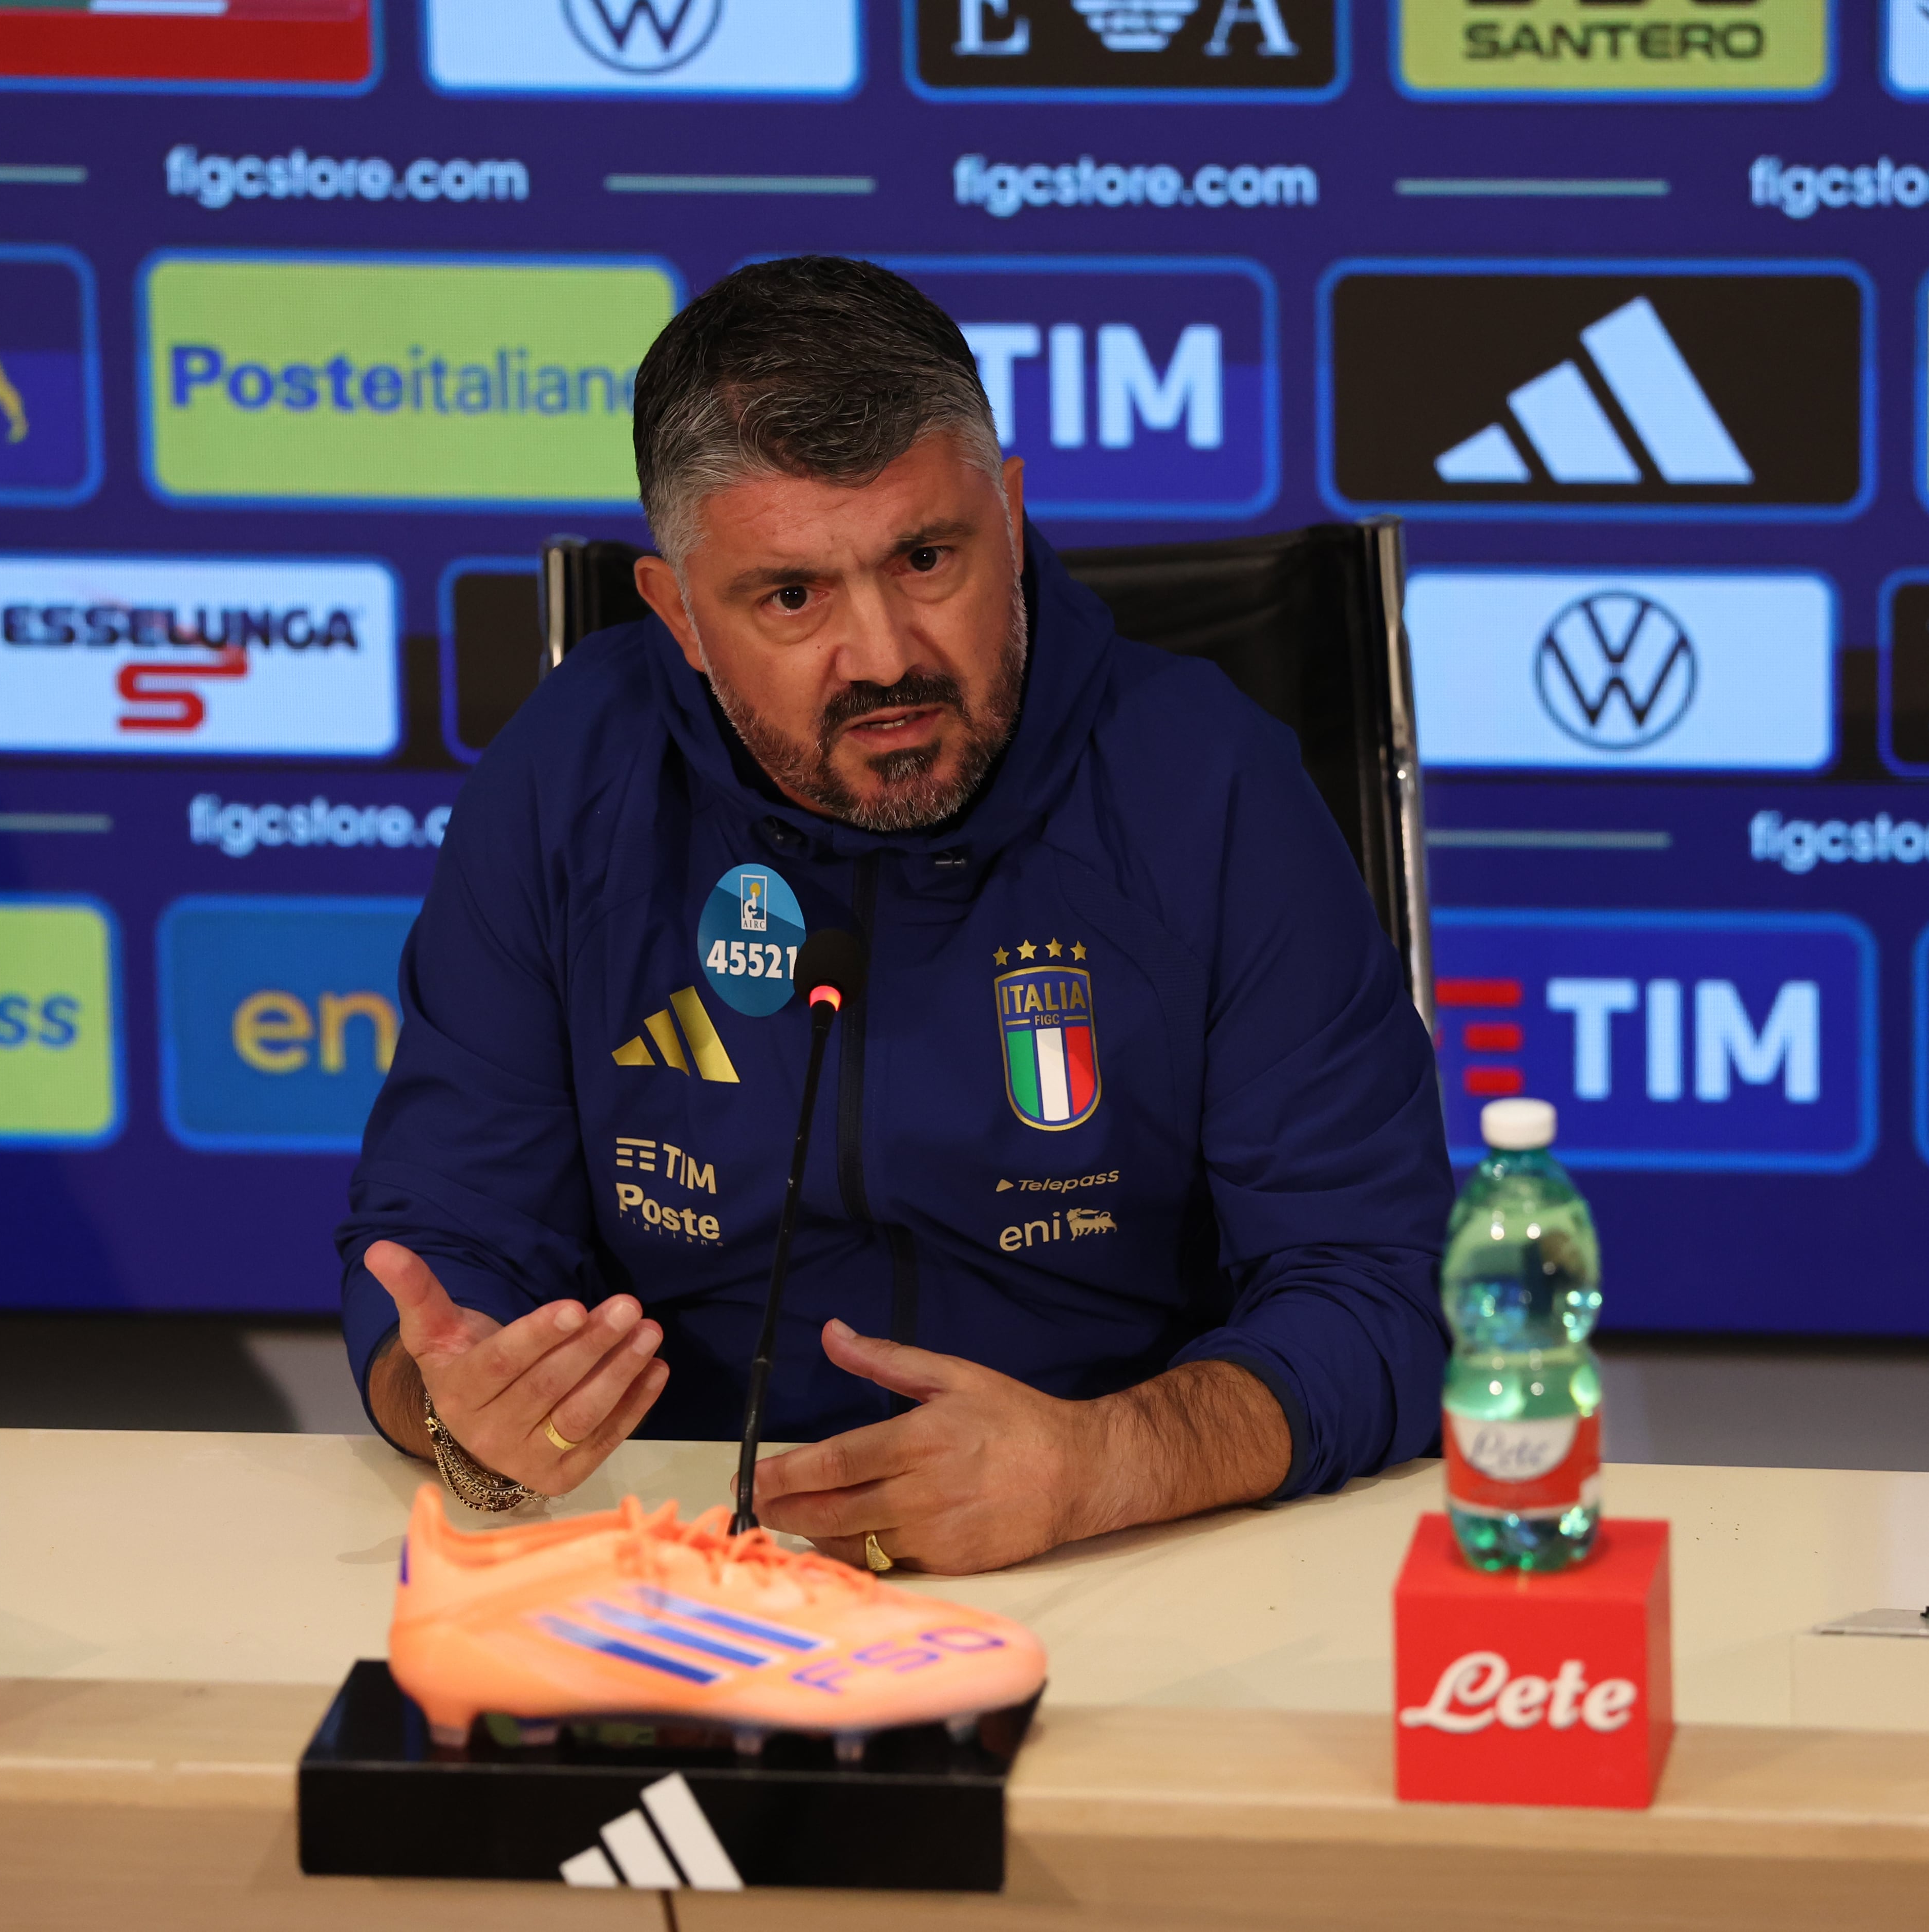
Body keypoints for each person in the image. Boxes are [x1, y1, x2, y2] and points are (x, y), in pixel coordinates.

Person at [337, 256, 1452, 1576]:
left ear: (1013, 514)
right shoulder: (562, 787)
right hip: (673, 1550)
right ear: (679, 615)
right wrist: (460, 1411)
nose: (885, 658)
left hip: (1123, 1544)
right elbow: (446, 1251)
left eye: (928, 557)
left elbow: (1389, 1287)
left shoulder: (1209, 785)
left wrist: (1107, 1463)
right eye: (793, 596)